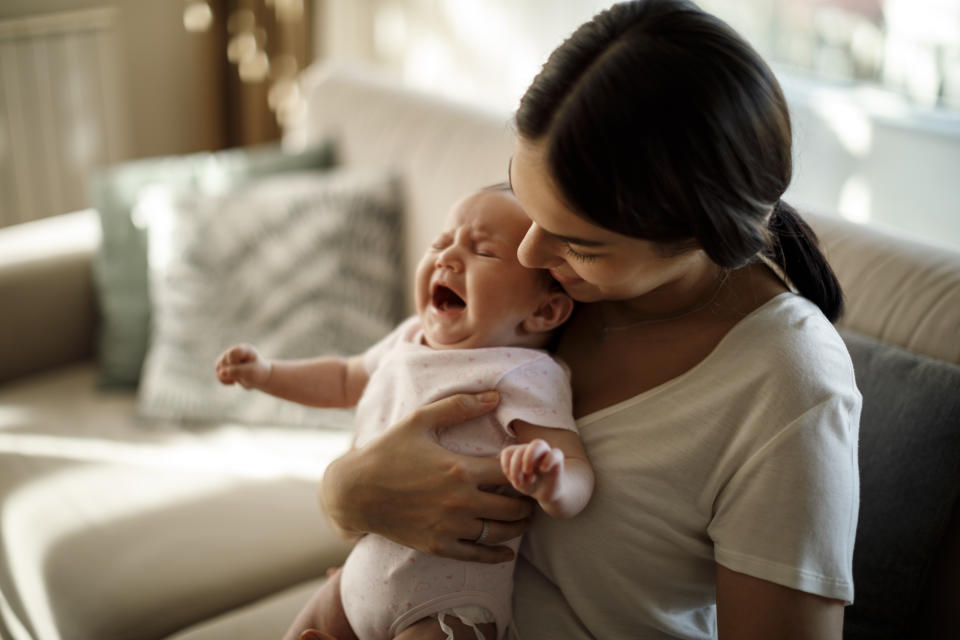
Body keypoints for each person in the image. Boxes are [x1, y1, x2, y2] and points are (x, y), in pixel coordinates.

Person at [316, 1, 862, 639]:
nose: (527, 255)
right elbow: (392, 427)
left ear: (700, 235)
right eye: (526, 198)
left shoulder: (789, 388)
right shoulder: (538, 283)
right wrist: (345, 492)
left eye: (580, 244)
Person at [215, 185, 595, 640]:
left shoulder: (526, 372)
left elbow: (575, 467)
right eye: (440, 243)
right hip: (356, 582)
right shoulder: (409, 337)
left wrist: (552, 481)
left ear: (544, 311)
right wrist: (267, 373)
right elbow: (341, 378)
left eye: (483, 252)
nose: (447, 257)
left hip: (446, 607)